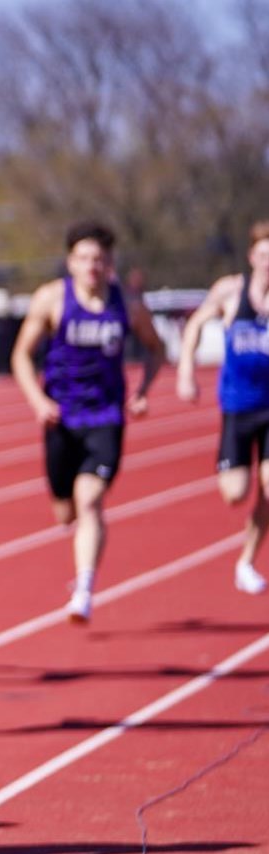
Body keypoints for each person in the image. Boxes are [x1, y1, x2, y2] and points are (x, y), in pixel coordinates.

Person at [8, 221, 167, 622]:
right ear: (70, 263)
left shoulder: (127, 304)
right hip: (60, 418)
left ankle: (84, 589)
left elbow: (155, 348)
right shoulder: (51, 299)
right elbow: (21, 356)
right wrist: (37, 399)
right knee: (66, 511)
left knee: (90, 500)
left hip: (105, 416)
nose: (92, 266)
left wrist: (143, 389)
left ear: (110, 263)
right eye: (83, 258)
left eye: (99, 259)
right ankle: (81, 553)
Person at [175, 219, 269, 594]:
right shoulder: (232, 292)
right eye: (264, 255)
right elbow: (196, 323)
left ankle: (246, 560)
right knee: (234, 493)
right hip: (238, 408)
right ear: (251, 256)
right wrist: (186, 368)